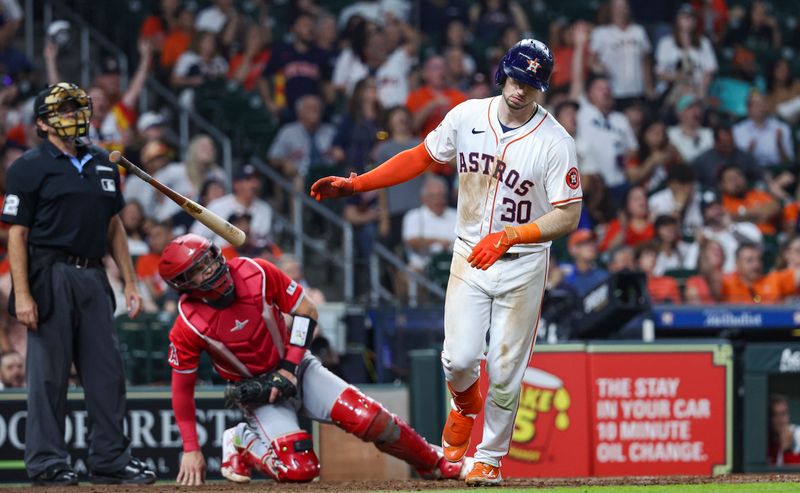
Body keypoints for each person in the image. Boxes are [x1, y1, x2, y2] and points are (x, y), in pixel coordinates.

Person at [311, 39, 582, 484]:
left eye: (530, 83)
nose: (520, 90)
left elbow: (568, 214)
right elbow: (421, 156)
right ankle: (463, 405)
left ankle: (489, 459)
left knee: (507, 370)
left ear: (542, 88)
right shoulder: (467, 115)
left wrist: (514, 234)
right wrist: (359, 186)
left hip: (523, 261)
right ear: (503, 74)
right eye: (516, 78)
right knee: (457, 361)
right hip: (469, 252)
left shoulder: (556, 142)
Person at [158, 234, 470, 485]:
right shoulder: (187, 324)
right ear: (184, 285)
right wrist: (190, 449)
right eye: (197, 270)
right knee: (299, 470)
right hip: (259, 393)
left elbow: (306, 311)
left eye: (208, 260)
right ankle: (240, 440)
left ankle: (435, 463)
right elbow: (181, 392)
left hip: (298, 367)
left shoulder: (257, 271)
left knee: (370, 418)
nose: (209, 270)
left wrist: (290, 367)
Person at [1, 83, 155, 485]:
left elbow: (114, 225)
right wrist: (22, 293)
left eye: (76, 107)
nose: (73, 114)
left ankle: (109, 460)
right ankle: (47, 462)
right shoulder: (27, 167)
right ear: (41, 122)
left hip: (94, 274)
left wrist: (132, 283)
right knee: (49, 376)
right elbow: (17, 234)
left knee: (107, 373)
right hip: (50, 273)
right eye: (63, 109)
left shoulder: (103, 163)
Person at [402, 175, 457, 272]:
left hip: (453, 265)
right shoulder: (414, 216)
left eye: (441, 195)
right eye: (433, 196)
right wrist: (437, 241)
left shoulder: (456, 215)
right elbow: (412, 241)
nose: (438, 199)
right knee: (411, 271)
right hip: (424, 267)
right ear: (423, 198)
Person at [721, 243, 800, 304]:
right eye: (749, 260)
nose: (756, 265)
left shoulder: (773, 280)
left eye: (759, 259)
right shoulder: (726, 284)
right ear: (737, 263)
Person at [768, 394, 800, 465]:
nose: (780, 420)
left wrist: (787, 450)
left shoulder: (797, 436)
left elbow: (794, 474)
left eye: (783, 413)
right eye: (775, 415)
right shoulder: (764, 444)